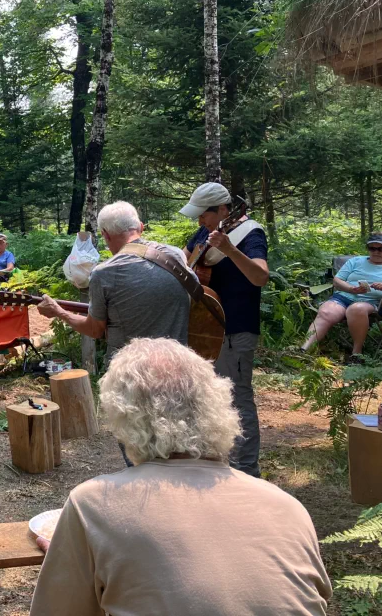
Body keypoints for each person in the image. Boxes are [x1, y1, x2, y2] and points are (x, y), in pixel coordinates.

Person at [29, 338, 331, 616]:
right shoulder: (287, 507)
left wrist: (72, 563)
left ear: (121, 415)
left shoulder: (93, 503)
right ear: (217, 403)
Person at [182, 182, 269, 478]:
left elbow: (260, 277)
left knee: (237, 398)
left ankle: (246, 470)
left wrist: (230, 250)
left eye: (203, 215)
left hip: (235, 329)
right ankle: (216, 462)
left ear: (222, 210)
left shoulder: (251, 233)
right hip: (205, 328)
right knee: (207, 396)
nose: (199, 221)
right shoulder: (204, 232)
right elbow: (185, 261)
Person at [35, 202, 193, 364]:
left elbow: (94, 329)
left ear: (106, 235)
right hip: (178, 366)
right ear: (140, 227)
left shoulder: (104, 273)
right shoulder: (176, 255)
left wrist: (58, 311)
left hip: (129, 373)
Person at [301, 233, 382, 358]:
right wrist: (351, 288)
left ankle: (356, 354)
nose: (376, 252)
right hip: (344, 296)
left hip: (369, 302)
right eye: (372, 248)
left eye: (380, 248)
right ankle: (303, 350)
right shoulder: (355, 261)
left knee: (356, 309)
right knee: (327, 311)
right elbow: (337, 280)